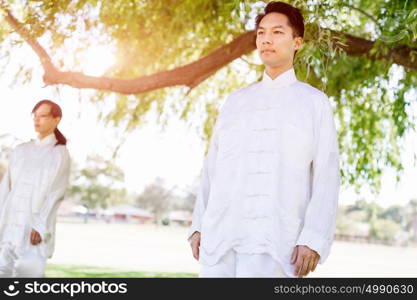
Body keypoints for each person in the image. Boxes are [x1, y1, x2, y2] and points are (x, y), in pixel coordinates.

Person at [188, 1, 340, 278]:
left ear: (297, 42)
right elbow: (212, 169)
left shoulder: (314, 103)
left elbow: (327, 177)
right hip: (221, 238)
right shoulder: (235, 102)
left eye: (277, 32)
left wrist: (313, 238)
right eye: (261, 32)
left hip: (278, 242)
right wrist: (199, 224)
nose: (266, 39)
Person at [0, 99, 71, 277]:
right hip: (8, 227)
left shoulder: (59, 153)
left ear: (56, 120)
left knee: (28, 279)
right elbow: (5, 188)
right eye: (35, 116)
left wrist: (40, 225)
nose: (37, 120)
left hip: (33, 231)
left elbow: (56, 193)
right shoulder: (20, 150)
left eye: (43, 116)